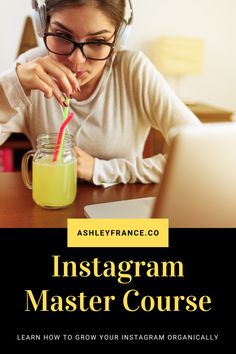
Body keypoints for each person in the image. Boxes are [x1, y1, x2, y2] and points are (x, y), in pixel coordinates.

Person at [0, 0, 201, 187]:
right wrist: (10, 86)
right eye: (63, 36)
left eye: (97, 42)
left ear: (119, 38)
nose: (76, 59)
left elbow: (198, 156)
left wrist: (101, 170)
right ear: (42, 25)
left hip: (119, 212)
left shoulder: (134, 71)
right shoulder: (30, 68)